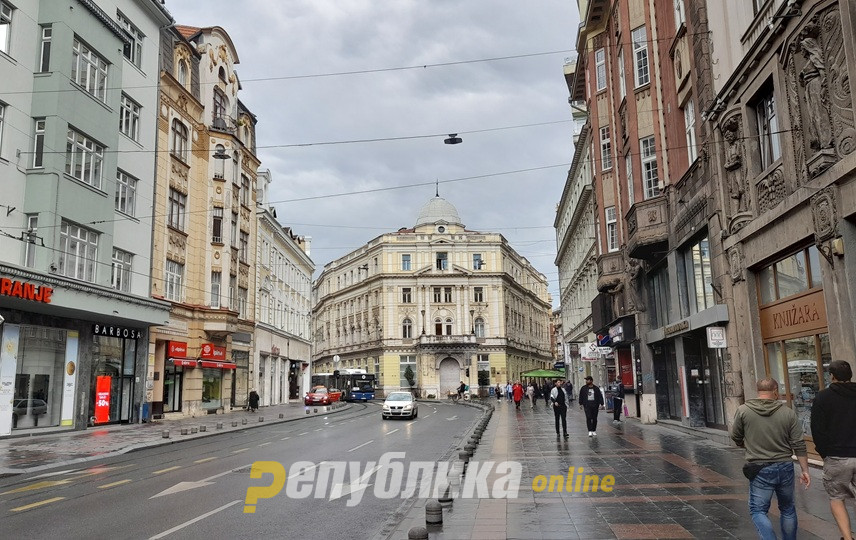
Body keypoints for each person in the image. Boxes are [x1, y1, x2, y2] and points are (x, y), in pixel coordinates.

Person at [731, 378, 810, 540]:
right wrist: (805, 470)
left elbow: (736, 436)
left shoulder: (743, 410)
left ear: (758, 390)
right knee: (788, 509)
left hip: (759, 467)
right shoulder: (788, 412)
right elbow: (798, 443)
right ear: (775, 391)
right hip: (785, 465)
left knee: (758, 510)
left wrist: (746, 443)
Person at [810, 360, 856, 540]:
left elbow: (817, 430)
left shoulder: (823, 398)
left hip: (837, 456)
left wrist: (825, 453)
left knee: (837, 498)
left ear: (832, 376)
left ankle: (847, 537)